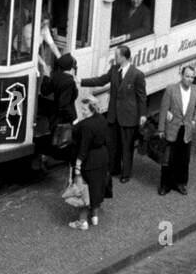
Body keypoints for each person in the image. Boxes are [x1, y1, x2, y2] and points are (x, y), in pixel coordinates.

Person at [81, 44, 148, 182]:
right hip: (113, 115)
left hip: (128, 116)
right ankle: (114, 168)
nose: (115, 57)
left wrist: (142, 115)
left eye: (117, 55)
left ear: (124, 57)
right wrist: (81, 81)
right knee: (113, 144)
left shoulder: (137, 75)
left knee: (127, 146)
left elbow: (142, 97)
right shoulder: (114, 70)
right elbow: (101, 80)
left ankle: (126, 173)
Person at [157, 64, 196, 196]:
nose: (189, 79)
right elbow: (163, 110)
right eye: (187, 76)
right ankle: (165, 185)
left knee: (184, 160)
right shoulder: (171, 90)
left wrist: (195, 119)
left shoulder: (195, 90)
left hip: (186, 130)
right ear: (181, 76)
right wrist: (161, 129)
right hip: (172, 129)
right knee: (168, 159)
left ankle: (180, 183)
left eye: (192, 77)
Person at [69, 95, 110, 230]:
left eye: (85, 109)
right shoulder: (102, 118)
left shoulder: (86, 125)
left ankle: (82, 221)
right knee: (97, 188)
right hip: (102, 158)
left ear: (91, 109)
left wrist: (78, 165)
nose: (82, 111)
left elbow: (84, 147)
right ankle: (95, 216)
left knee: (83, 191)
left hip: (89, 161)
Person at [40, 52, 78, 155]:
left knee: (57, 139)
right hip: (65, 117)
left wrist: (46, 76)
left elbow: (44, 91)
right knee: (66, 142)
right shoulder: (69, 81)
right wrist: (74, 119)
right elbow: (66, 103)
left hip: (54, 115)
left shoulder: (55, 76)